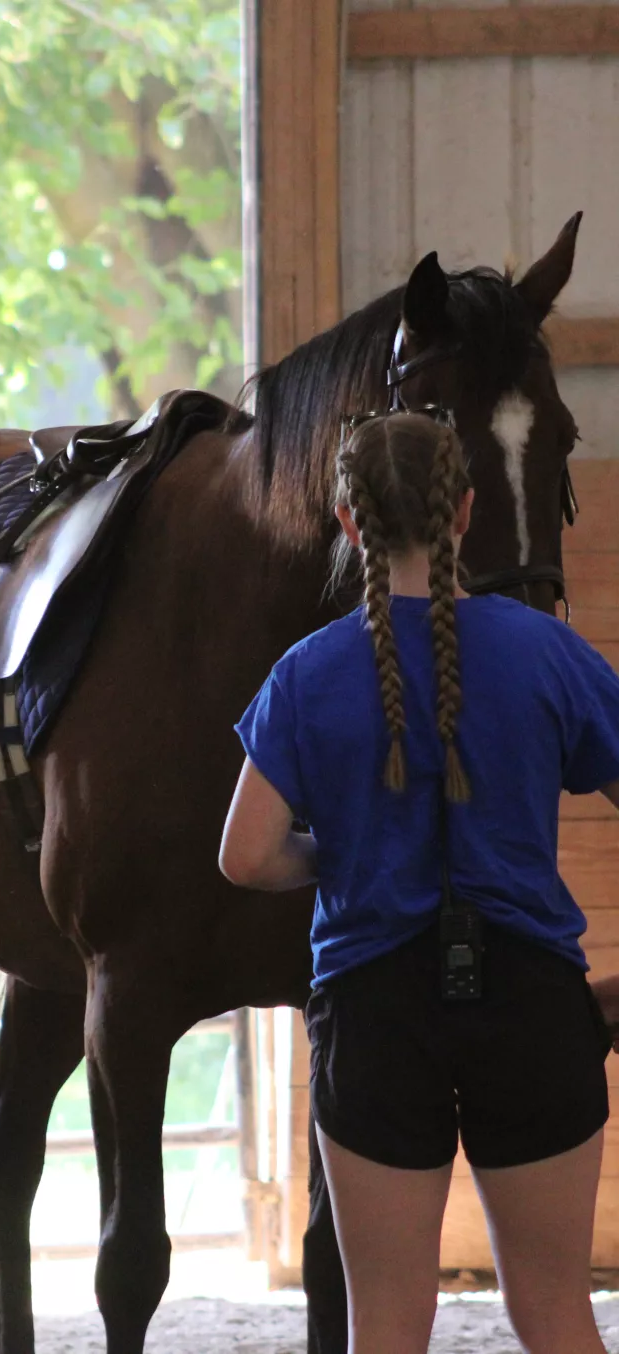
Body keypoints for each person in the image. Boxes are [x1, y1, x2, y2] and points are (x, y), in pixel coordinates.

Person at [219, 411, 619, 1354]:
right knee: (557, 1314)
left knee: (388, 1329)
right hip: (532, 1005)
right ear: (467, 510)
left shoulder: (305, 674)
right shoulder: (543, 650)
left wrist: (339, 855)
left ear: (348, 524)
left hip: (375, 1015)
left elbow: (243, 855)